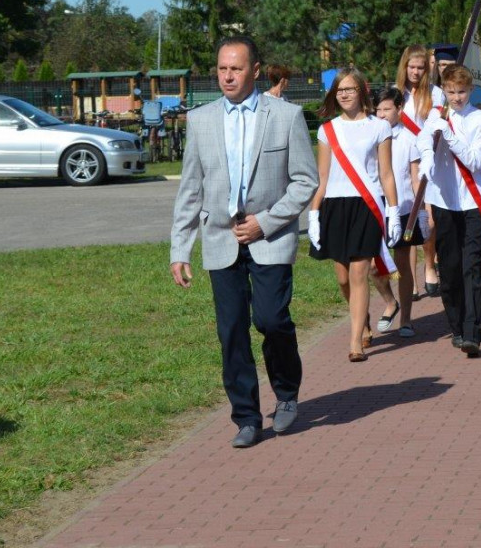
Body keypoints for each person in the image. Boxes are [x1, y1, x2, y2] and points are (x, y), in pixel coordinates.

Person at [170, 36, 317, 449]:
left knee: (270, 319)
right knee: (232, 330)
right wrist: (180, 249)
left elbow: (305, 181)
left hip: (270, 237)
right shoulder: (201, 120)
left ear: (255, 70)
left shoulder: (285, 116)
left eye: (236, 68)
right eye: (222, 69)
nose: (228, 76)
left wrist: (264, 223)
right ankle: (247, 418)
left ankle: (286, 394)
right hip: (220, 237)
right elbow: (190, 189)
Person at [308, 68, 401, 363]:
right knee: (343, 277)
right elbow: (323, 178)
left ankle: (355, 342)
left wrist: (393, 210)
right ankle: (364, 321)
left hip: (367, 205)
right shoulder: (327, 130)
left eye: (349, 89)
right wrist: (313, 214)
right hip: (335, 206)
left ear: (362, 91)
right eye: (339, 90)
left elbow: (386, 173)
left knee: (360, 272)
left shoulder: (379, 127)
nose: (344, 94)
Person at [417, 64, 481, 357]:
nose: (457, 97)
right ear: (444, 91)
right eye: (451, 92)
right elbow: (423, 138)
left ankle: (473, 333)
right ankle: (458, 327)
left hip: (472, 201)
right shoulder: (437, 114)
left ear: (470, 90)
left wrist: (448, 134)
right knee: (449, 269)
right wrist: (427, 154)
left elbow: (475, 161)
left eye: (461, 92)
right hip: (444, 200)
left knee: (471, 266)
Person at [371, 86, 427, 338]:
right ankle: (390, 302)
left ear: (399, 109)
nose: (381, 114)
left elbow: (415, 178)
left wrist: (421, 211)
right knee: (373, 266)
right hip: (376, 207)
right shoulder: (370, 135)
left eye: (387, 109)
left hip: (403, 207)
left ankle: (406, 319)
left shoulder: (409, 139)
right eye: (378, 109)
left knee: (403, 264)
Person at [395, 45, 446, 298]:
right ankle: (411, 281)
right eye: (411, 67)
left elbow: (436, 127)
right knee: (408, 216)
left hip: (427, 161)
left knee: (428, 220)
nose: (415, 72)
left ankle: (429, 264)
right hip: (402, 161)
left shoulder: (436, 93)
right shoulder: (395, 94)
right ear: (404, 67)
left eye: (420, 67)